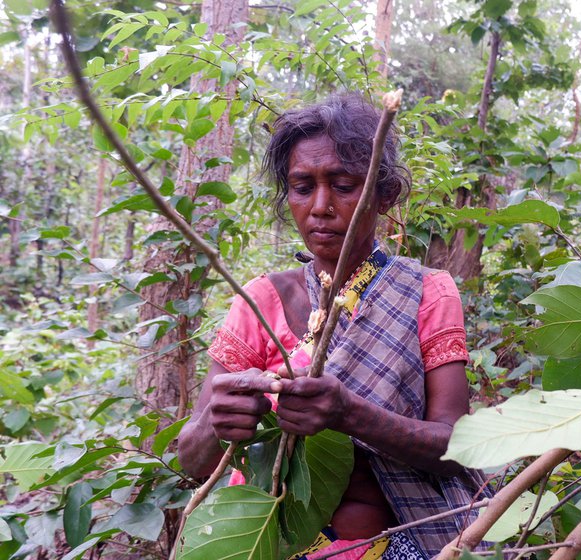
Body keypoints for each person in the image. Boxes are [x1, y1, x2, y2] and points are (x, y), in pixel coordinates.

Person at [177, 94, 492, 560]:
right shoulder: (260, 301)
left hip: (396, 544)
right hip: (267, 541)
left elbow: (459, 445)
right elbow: (191, 459)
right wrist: (216, 424)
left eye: (344, 186)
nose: (321, 206)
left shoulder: (427, 292)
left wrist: (348, 413)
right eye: (303, 187)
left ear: (384, 195)